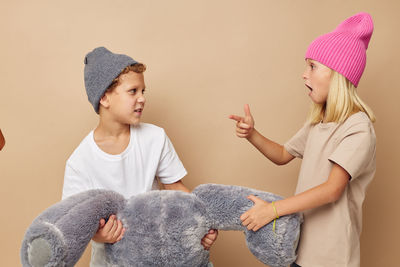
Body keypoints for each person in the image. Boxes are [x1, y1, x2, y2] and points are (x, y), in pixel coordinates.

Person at [229, 12, 376, 267]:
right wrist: (253, 135)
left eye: (312, 66)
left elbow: (333, 189)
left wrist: (272, 211)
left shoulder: (358, 128)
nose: (304, 74)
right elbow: (283, 154)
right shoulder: (319, 122)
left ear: (338, 74)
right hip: (301, 248)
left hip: (331, 257)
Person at [62, 47, 217, 266]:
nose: (142, 99)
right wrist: (99, 235)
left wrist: (203, 222)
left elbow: (177, 189)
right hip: (111, 260)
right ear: (105, 97)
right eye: (133, 91)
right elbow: (75, 223)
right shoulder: (80, 162)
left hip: (158, 249)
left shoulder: (155, 137)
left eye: (143, 91)